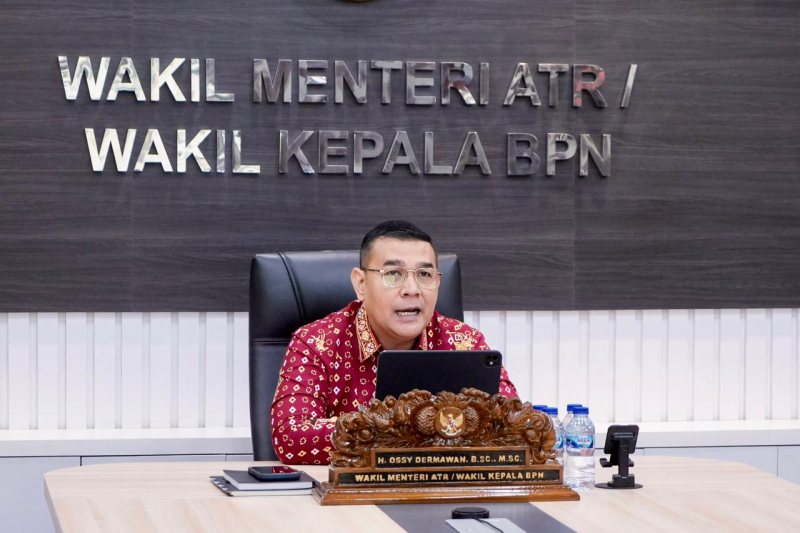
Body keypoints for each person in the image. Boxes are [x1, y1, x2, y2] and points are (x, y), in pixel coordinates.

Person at [270, 220, 518, 465]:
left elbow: (514, 427)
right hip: (350, 489)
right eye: (393, 274)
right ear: (361, 284)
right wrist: (428, 430)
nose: (412, 289)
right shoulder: (317, 342)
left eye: (424, 275)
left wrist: (378, 434)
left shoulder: (464, 342)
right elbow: (291, 437)